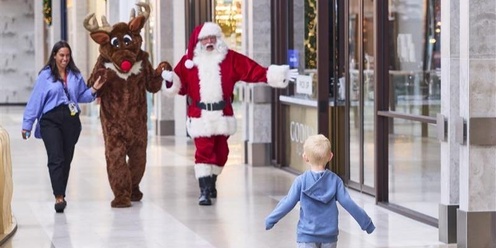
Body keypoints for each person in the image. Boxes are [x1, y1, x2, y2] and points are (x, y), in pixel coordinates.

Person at [161, 22, 297, 206]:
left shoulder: (229, 58)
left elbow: (251, 70)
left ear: (217, 39)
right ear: (199, 41)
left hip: (222, 114)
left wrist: (274, 74)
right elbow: (179, 86)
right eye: (205, 39)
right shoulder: (189, 62)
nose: (209, 42)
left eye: (212, 38)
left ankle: (212, 180)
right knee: (203, 152)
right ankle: (204, 191)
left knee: (221, 153)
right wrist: (170, 80)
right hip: (200, 116)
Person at [21, 40, 105, 213]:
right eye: (61, 55)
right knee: (56, 157)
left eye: (67, 55)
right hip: (50, 120)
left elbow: (82, 96)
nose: (65, 59)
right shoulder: (45, 76)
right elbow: (35, 100)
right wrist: (27, 124)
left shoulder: (75, 74)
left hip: (71, 121)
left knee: (66, 159)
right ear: (54, 56)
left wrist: (94, 88)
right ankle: (58, 196)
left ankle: (61, 192)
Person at [265, 134, 375, 248]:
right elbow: (348, 203)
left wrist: (271, 219)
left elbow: (288, 203)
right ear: (330, 156)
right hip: (329, 236)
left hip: (306, 236)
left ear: (305, 157)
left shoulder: (301, 181)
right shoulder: (335, 181)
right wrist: (366, 223)